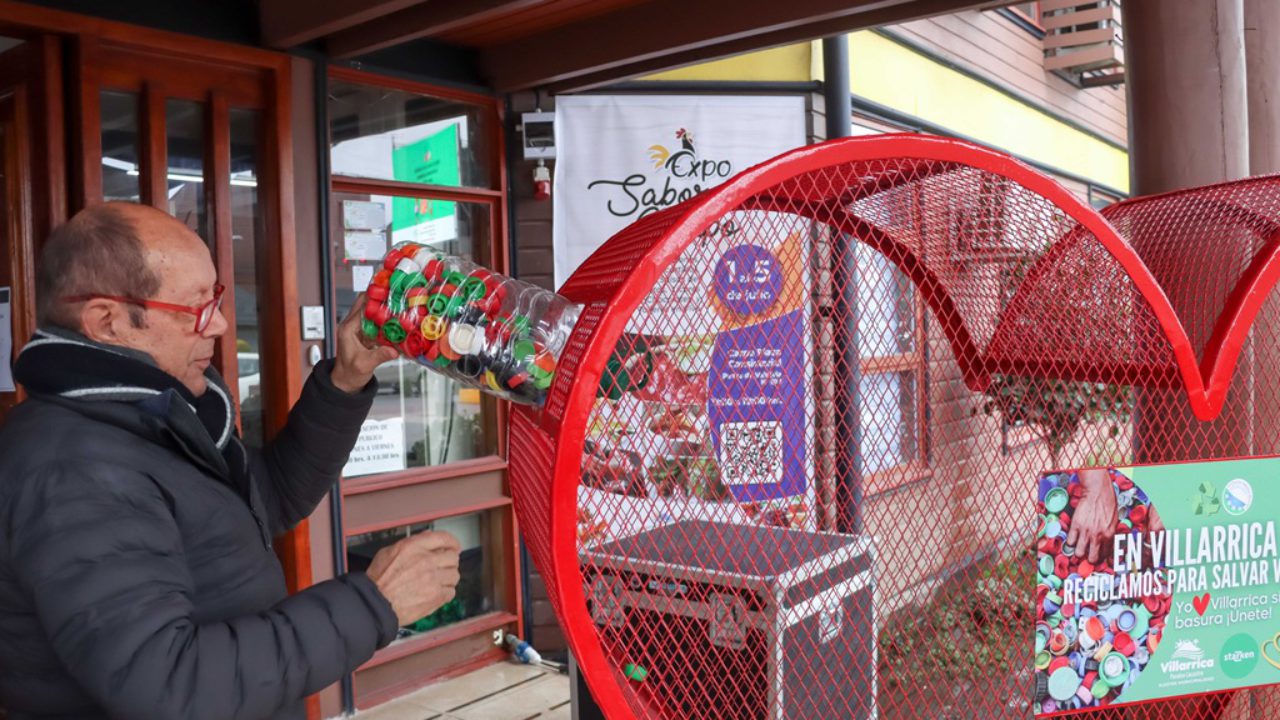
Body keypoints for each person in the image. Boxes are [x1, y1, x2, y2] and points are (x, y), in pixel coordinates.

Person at [0, 203, 461, 719]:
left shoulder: (148, 415)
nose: (219, 324)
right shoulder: (73, 467)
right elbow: (168, 685)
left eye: (215, 298)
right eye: (196, 308)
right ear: (107, 322)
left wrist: (346, 379)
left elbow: (269, 498)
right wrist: (374, 603)